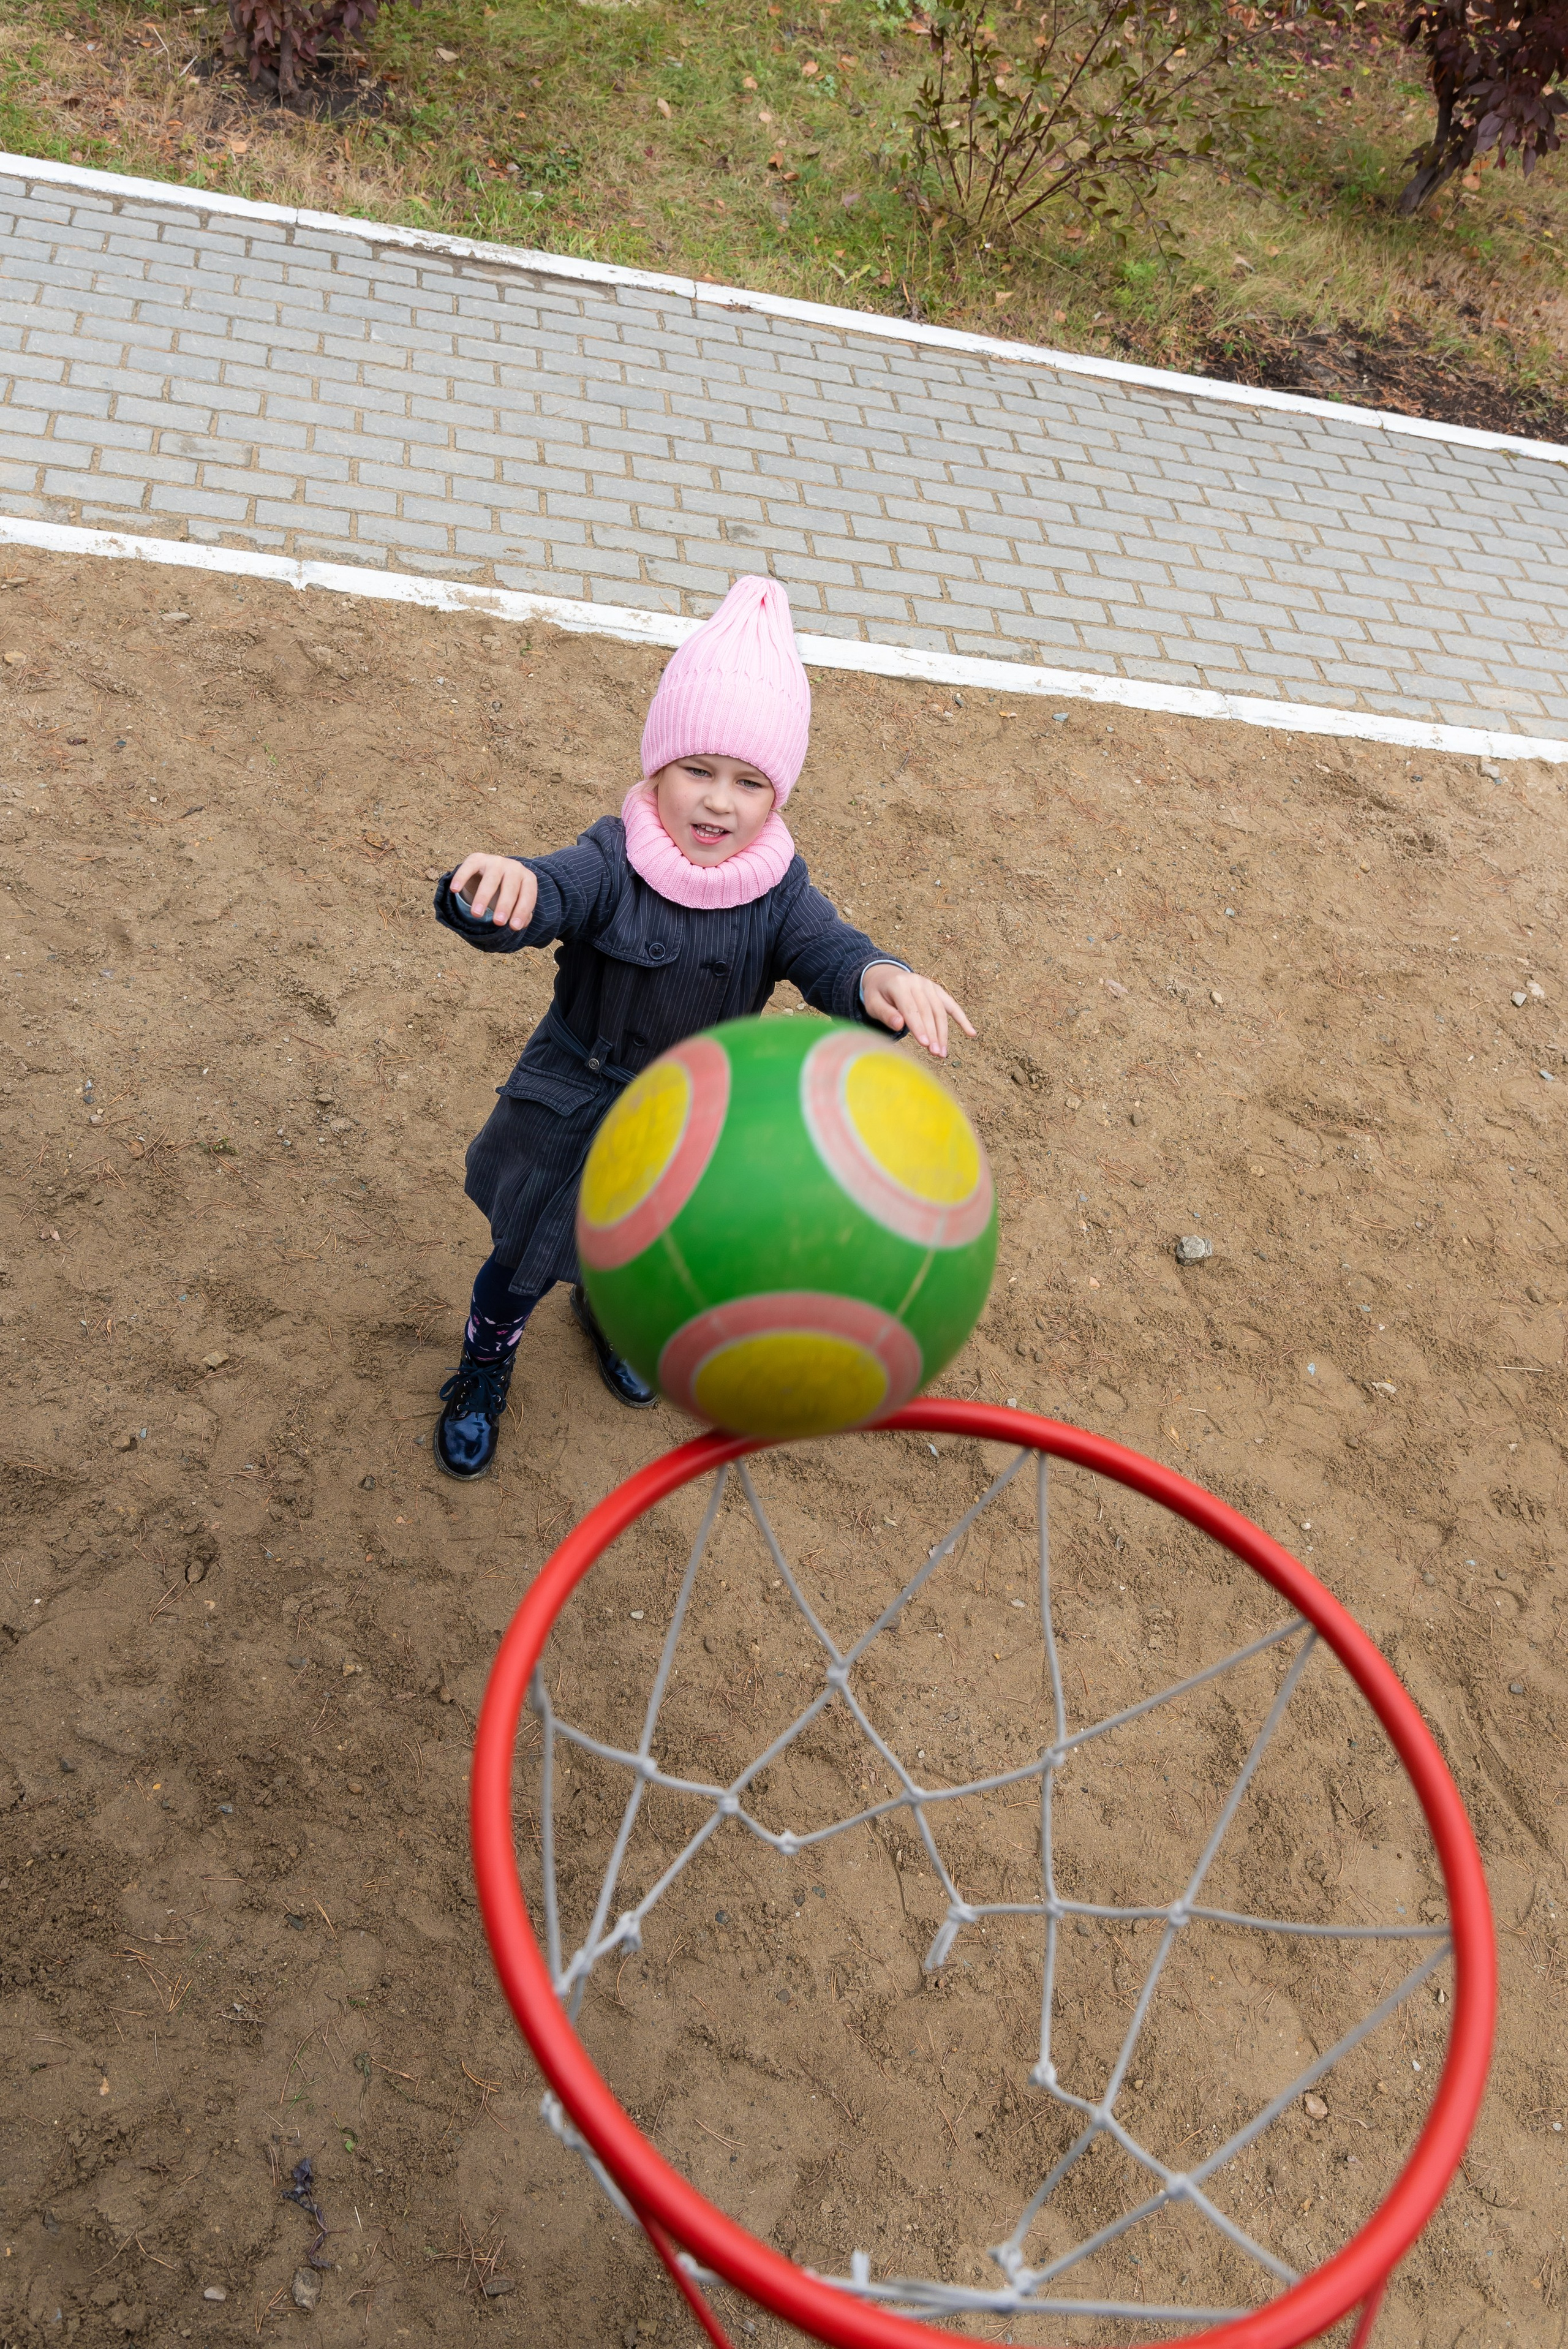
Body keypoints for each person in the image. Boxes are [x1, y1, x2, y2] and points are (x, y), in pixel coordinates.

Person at [429, 575, 974, 1479]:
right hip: (578, 1108)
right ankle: (487, 1358)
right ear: (656, 768)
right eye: (698, 771)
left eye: (749, 782)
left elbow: (834, 954)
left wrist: (883, 980)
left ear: (778, 796)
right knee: (525, 1253)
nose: (719, 802)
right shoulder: (616, 858)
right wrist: (497, 894)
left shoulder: (780, 889)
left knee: (638, 1253)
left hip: (687, 1125)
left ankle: (606, 1317)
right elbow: (552, 889)